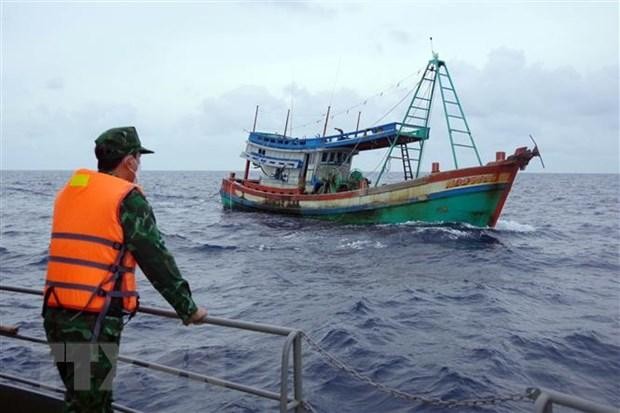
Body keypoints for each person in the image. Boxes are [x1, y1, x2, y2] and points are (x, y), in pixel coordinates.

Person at [42, 126, 208, 412]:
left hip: (56, 313)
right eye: (138, 158)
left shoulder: (70, 191)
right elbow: (155, 258)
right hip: (91, 321)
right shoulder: (126, 198)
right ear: (129, 161)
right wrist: (187, 308)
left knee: (79, 396)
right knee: (91, 405)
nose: (139, 165)